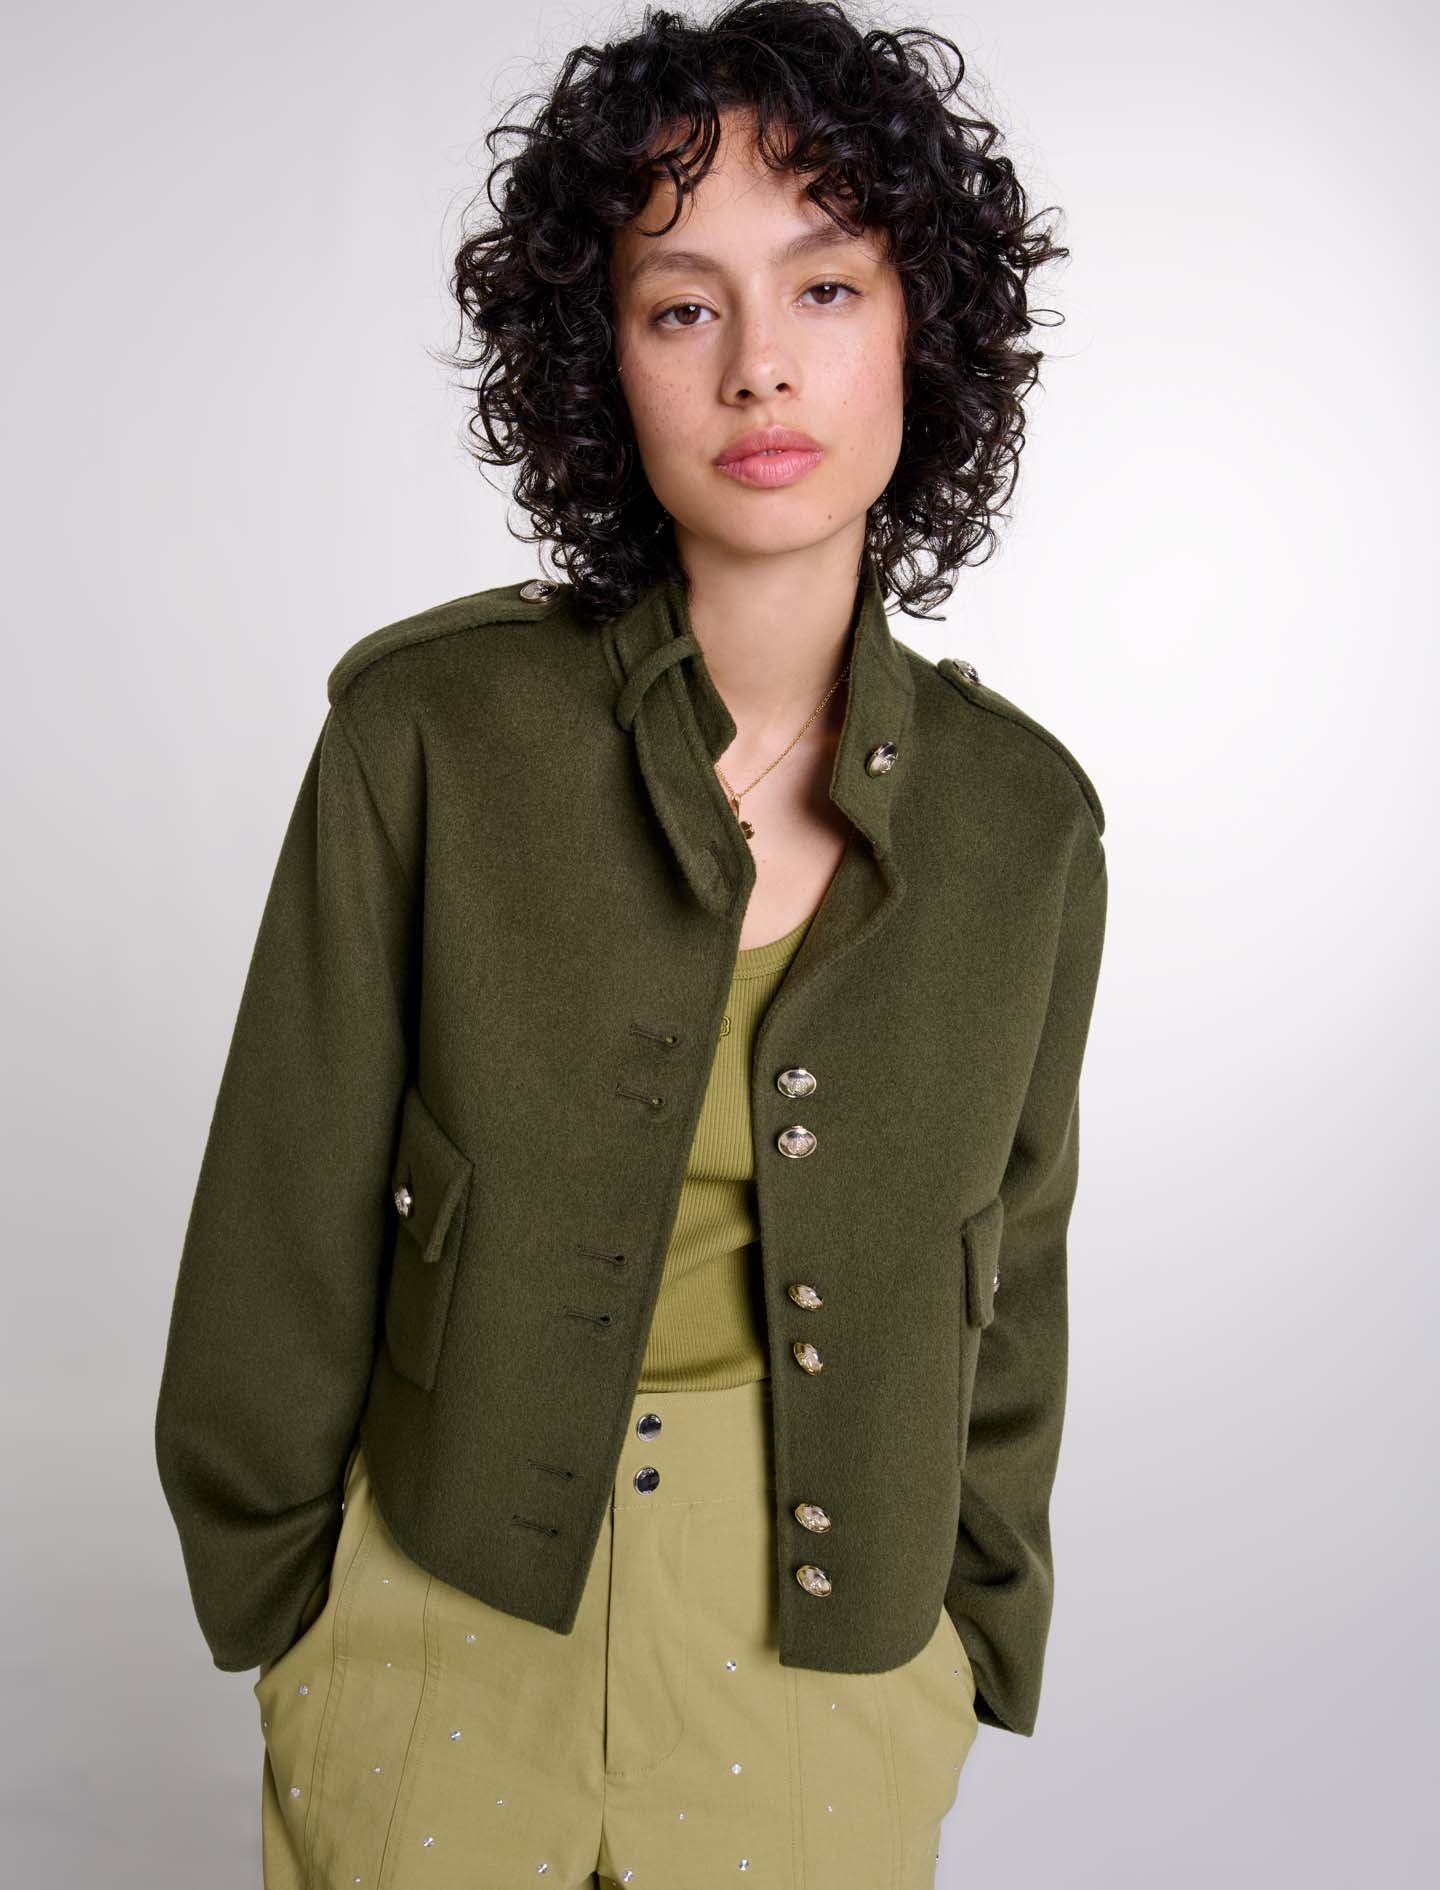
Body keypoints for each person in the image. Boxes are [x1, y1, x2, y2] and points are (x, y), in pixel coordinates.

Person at [154, 3, 1108, 1885]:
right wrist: (291, 1618)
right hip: (433, 1622)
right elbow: (282, 1207)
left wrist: (970, 1634)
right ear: (600, 361)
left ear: (923, 326)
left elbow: (1018, 1273)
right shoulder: (431, 735)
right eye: (682, 307)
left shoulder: (1025, 824)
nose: (761, 367)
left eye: (825, 286)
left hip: (832, 1648)